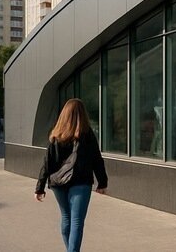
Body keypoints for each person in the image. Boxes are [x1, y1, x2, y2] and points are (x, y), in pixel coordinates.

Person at [35, 98, 108, 252]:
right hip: (81, 182)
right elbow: (97, 159)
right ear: (83, 114)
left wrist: (39, 188)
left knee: (66, 217)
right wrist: (102, 182)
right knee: (76, 221)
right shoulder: (87, 135)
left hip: (58, 182)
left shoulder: (56, 135)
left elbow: (47, 162)